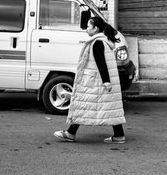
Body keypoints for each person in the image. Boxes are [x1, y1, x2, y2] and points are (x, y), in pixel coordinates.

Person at [54, 13, 127, 144]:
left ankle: (70, 133)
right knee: (110, 108)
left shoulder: (97, 42)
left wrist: (106, 81)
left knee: (83, 105)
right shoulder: (104, 41)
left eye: (88, 26)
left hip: (96, 82)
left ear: (96, 29)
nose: (86, 28)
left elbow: (101, 63)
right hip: (100, 81)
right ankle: (119, 135)